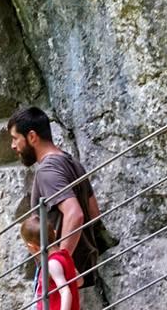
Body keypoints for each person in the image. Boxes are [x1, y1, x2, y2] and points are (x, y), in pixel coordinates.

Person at [8, 106, 101, 285]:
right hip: (81, 275)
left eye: (15, 138)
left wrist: (59, 265)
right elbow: (94, 213)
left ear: (32, 137)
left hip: (63, 280)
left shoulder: (47, 170)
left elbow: (75, 214)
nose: (13, 146)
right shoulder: (72, 162)